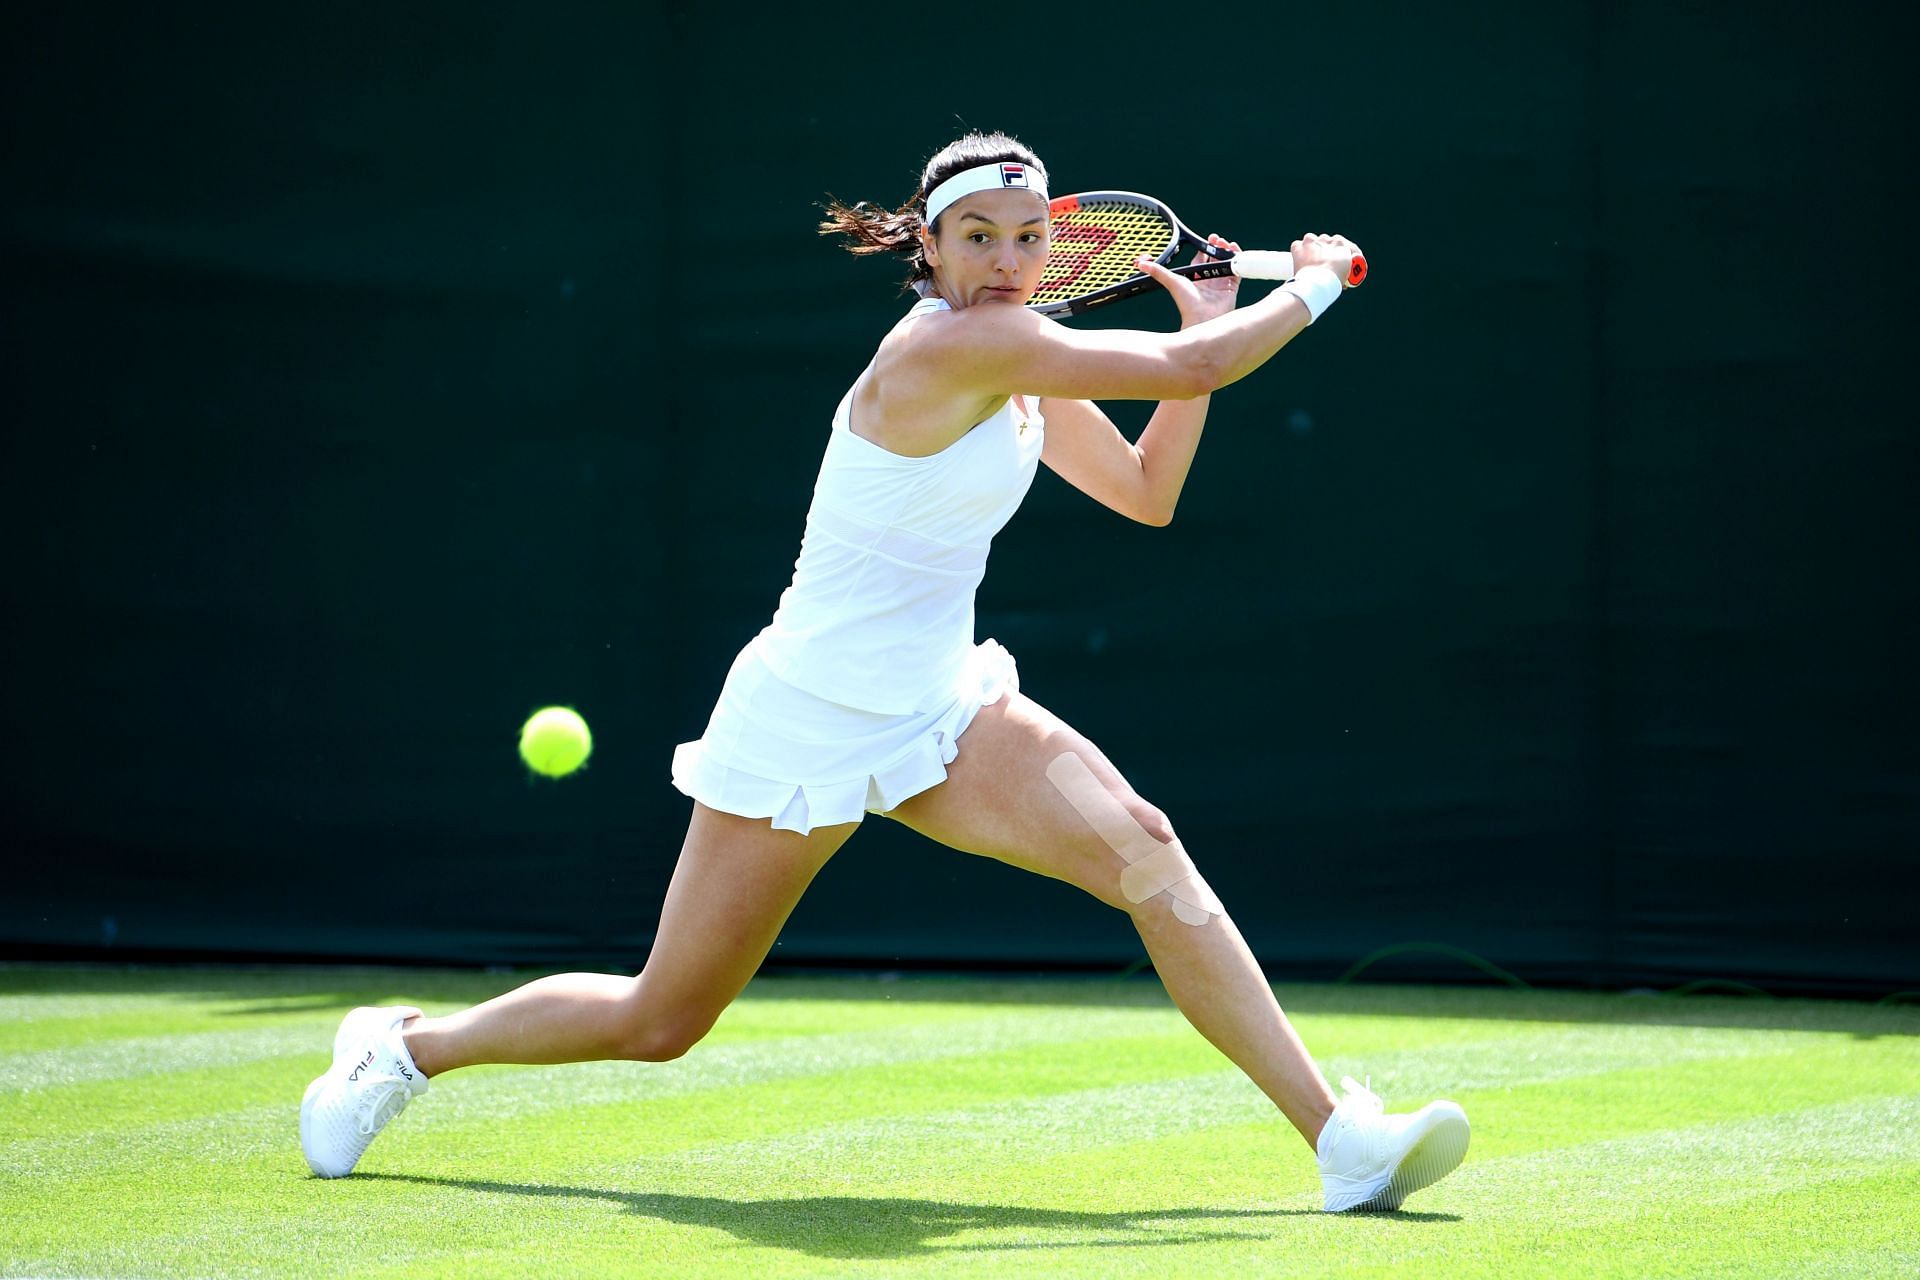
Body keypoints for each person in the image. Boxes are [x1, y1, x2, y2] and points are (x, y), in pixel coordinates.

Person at [300, 130, 1470, 1213]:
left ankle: (1339, 1136)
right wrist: (1305, 287)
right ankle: (404, 1047)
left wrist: (1217, 313)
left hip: (943, 706)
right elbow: (1190, 365)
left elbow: (1145, 492)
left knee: (1147, 851)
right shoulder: (954, 343)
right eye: (979, 238)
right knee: (662, 1017)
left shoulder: (1020, 358)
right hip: (808, 712)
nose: (1008, 261)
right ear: (930, 244)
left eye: (1028, 238)